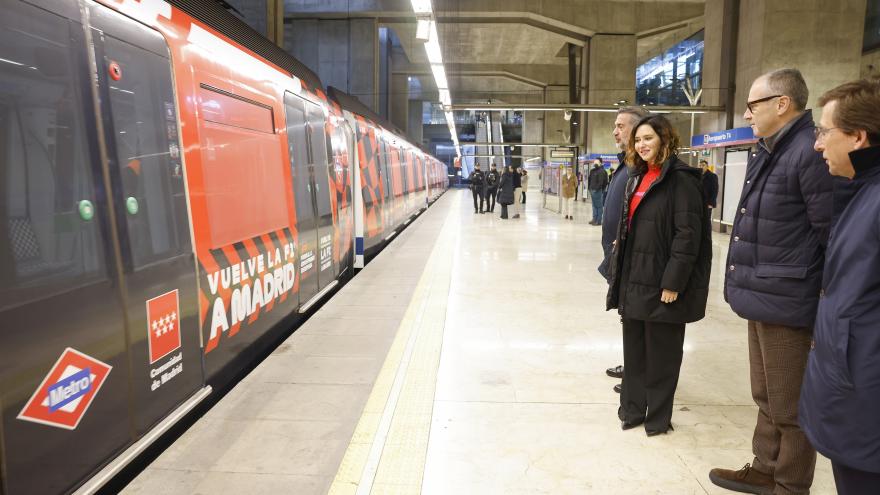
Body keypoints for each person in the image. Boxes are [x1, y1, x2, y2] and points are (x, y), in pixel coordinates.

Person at [709, 68, 832, 495]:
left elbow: (829, 233)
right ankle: (765, 467)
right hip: (763, 293)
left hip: (790, 298)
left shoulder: (808, 151)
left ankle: (791, 483)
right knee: (766, 394)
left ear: (782, 104)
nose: (746, 113)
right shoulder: (771, 148)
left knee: (790, 403)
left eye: (753, 104)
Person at [606, 114, 711, 436]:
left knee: (663, 355)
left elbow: (687, 237)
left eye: (648, 138)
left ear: (665, 140)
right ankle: (633, 410)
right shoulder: (638, 177)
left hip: (662, 280)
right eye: (638, 140)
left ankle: (658, 418)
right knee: (634, 351)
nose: (642, 145)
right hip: (634, 277)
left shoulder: (682, 180)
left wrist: (673, 282)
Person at [799, 78, 880, 495]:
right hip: (850, 386)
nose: (817, 145)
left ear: (858, 137)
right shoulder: (857, 193)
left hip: (866, 393)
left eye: (824, 132)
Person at [601, 106, 650, 393]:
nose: (615, 131)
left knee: (635, 315)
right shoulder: (626, 162)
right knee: (627, 313)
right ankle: (632, 366)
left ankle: (638, 373)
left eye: (620, 126)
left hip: (633, 258)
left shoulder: (640, 166)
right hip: (619, 256)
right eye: (615, 126)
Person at [588, 159, 609, 225]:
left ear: (600, 163)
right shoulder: (592, 171)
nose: (595, 163)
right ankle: (594, 219)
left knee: (599, 206)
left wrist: (599, 189)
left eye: (596, 162)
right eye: (594, 162)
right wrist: (589, 188)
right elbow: (589, 180)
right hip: (592, 190)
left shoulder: (602, 171)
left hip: (598, 191)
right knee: (594, 206)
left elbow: (604, 182)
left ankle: (598, 221)